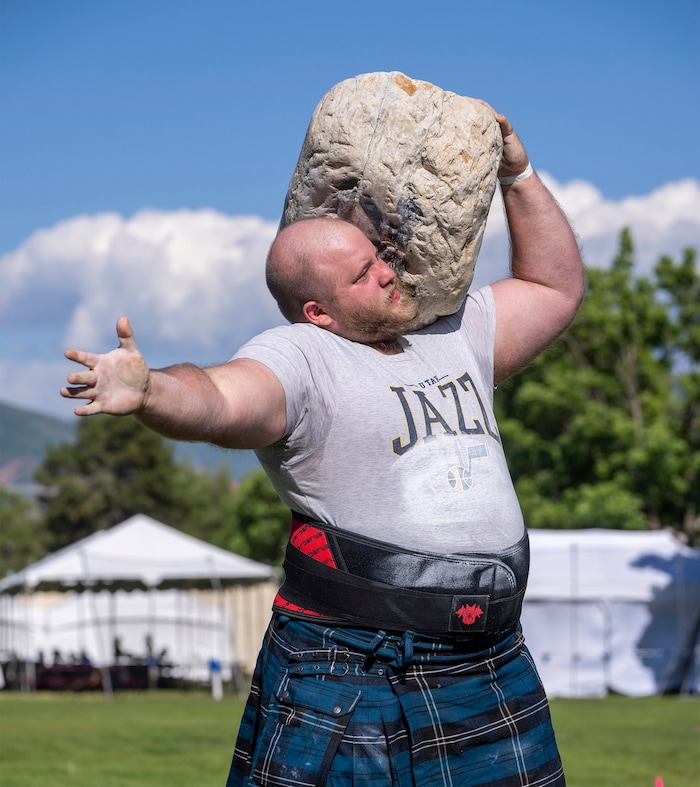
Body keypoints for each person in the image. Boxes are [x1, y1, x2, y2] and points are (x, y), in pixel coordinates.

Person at [62, 108, 584, 786]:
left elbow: (555, 286)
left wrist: (518, 174)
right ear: (319, 311)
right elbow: (222, 398)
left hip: (490, 659)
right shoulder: (302, 357)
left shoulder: (455, 329)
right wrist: (153, 389)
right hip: (355, 665)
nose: (389, 273)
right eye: (364, 273)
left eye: (381, 258)